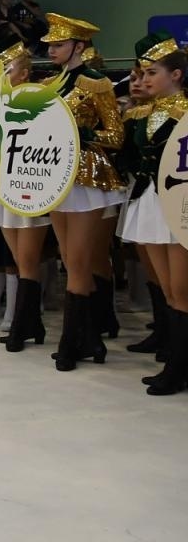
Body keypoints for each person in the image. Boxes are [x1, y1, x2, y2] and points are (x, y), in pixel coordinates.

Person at [42, 14, 128, 372]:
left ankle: (69, 342)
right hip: (56, 173)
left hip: (87, 177)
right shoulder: (50, 83)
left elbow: (116, 135)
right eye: (50, 45)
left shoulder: (97, 83)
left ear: (79, 46)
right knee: (69, 258)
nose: (51, 51)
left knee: (77, 261)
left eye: (58, 45)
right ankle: (89, 338)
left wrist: (79, 133)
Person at [120, 40, 188, 395]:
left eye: (152, 73)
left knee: (182, 290)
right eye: (142, 73)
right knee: (168, 289)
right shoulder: (141, 113)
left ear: (175, 74)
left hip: (178, 202)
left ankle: (178, 367)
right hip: (149, 199)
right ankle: (175, 363)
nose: (143, 80)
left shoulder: (186, 112)